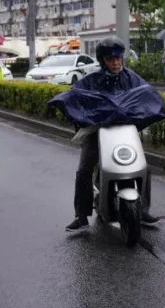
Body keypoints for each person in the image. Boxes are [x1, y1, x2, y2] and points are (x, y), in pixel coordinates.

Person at [67, 36, 159, 231]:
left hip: (125, 131)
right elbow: (76, 93)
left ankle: (142, 210)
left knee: (145, 167)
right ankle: (81, 215)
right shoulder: (92, 80)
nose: (116, 62)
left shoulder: (132, 78)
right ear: (103, 61)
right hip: (98, 130)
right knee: (84, 169)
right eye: (110, 59)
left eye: (118, 58)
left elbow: (146, 93)